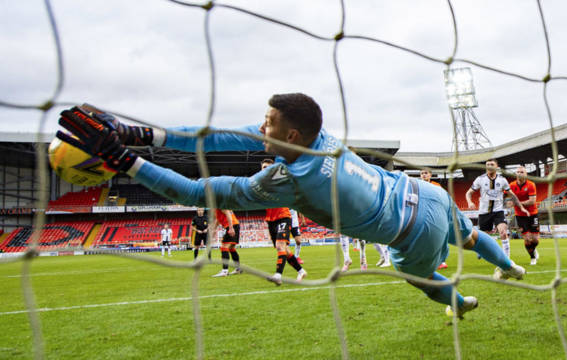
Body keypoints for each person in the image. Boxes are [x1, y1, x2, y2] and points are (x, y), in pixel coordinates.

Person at [56, 93, 527, 318]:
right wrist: (142, 133)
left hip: (408, 233)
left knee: (422, 281)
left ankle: (460, 303)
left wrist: (127, 161)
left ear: (290, 135)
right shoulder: (320, 135)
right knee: (466, 235)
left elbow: (196, 193)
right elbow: (220, 134)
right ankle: (511, 267)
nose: (261, 128)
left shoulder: (284, 183)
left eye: (268, 123)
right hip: (425, 193)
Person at [466, 159, 530, 258]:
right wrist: (469, 202)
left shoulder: (502, 180)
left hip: (498, 211)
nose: (489, 166)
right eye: (487, 164)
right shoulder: (480, 179)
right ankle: (481, 250)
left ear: (496, 167)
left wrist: (521, 207)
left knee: (503, 232)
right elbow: (468, 193)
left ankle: (506, 258)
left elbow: (512, 195)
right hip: (484, 212)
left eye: (492, 164)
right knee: (483, 237)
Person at [260, 159, 307, 285]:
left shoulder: (280, 181)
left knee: (281, 246)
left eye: (267, 167)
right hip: (271, 219)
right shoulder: (260, 183)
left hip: (283, 216)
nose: (264, 169)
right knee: (283, 249)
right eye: (263, 167)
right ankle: (301, 271)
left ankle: (278, 275)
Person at [509, 166, 540, 265]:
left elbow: (532, 201)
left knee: (535, 239)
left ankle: (533, 249)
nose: (519, 173)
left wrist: (517, 203)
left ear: (525, 174)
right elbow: (503, 194)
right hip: (520, 215)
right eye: (517, 172)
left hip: (533, 214)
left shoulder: (531, 185)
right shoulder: (511, 185)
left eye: (522, 172)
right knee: (527, 238)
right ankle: (532, 257)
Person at [420, 168, 447, 269]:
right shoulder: (418, 185)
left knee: (438, 237)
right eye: (422, 173)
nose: (424, 175)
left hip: (435, 214)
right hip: (422, 214)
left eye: (426, 173)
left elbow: (442, 198)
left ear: (430, 175)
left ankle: (442, 261)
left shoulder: (436, 185)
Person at [212, 209, 243, 277]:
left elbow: (228, 213)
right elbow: (218, 219)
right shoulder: (217, 207)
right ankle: (238, 269)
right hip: (234, 225)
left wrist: (231, 228)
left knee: (224, 247)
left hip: (232, 226)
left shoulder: (220, 204)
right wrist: (214, 230)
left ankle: (224, 271)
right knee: (231, 248)